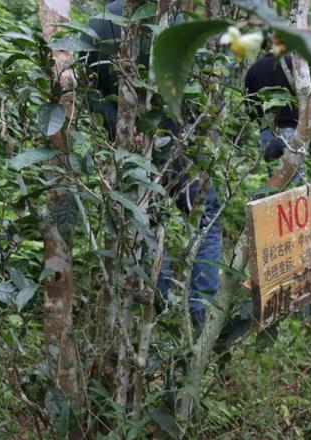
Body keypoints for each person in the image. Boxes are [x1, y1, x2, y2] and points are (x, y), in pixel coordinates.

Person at [83, 0, 220, 326]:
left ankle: (161, 309)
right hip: (172, 143)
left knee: (147, 224)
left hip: (123, 150)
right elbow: (193, 81)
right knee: (205, 217)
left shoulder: (95, 23)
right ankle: (200, 314)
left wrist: (120, 129)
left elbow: (89, 93)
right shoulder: (171, 17)